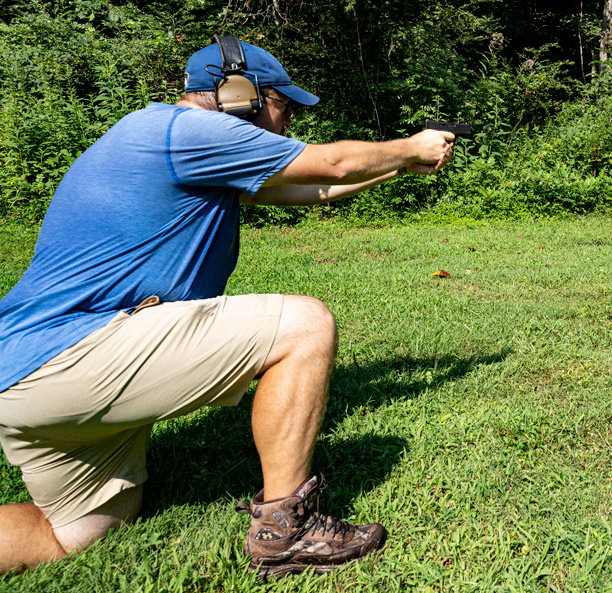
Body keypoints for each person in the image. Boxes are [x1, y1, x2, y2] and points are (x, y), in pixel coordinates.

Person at [0, 40, 454, 577]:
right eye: (283, 107)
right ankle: (289, 530)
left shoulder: (169, 141)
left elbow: (320, 187)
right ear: (239, 95)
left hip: (26, 379)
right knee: (304, 325)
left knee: (78, 533)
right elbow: (330, 160)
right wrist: (410, 145)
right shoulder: (187, 131)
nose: (286, 124)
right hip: (73, 353)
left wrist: (402, 168)